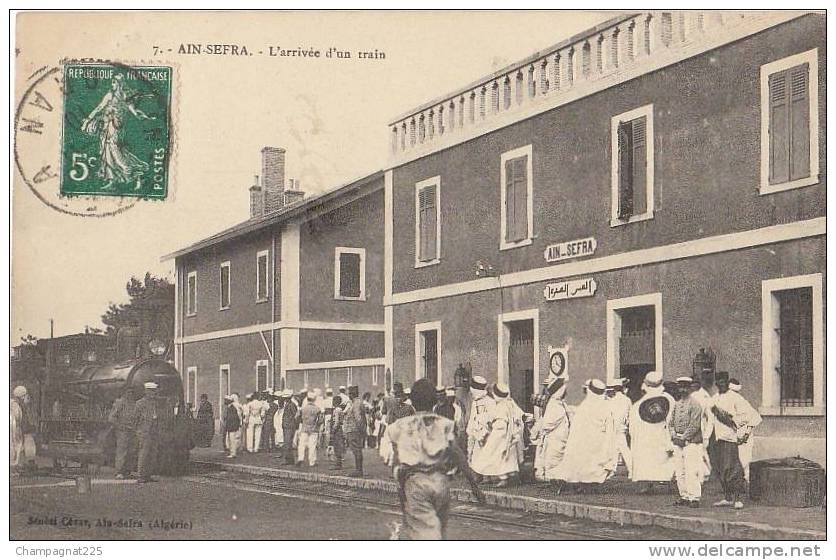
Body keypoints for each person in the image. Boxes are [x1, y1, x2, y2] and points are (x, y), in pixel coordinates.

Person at [386, 378, 486, 540]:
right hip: (441, 484)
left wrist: (402, 494)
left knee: (423, 535)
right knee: (438, 532)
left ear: (412, 401)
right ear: (434, 400)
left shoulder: (400, 427)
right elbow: (458, 454)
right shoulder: (444, 424)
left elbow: (398, 464)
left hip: (416, 484)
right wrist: (474, 485)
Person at [711, 373, 762, 509]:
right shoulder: (714, 398)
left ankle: (738, 499)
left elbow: (750, 415)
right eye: (718, 382)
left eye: (723, 382)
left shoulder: (735, 398)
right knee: (720, 469)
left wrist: (733, 421)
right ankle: (727, 498)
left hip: (730, 438)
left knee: (733, 469)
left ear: (727, 383)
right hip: (717, 438)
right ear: (716, 383)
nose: (721, 384)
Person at [555, 379, 615, 488]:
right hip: (598, 442)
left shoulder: (585, 406)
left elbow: (576, 427)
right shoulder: (606, 406)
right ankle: (590, 484)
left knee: (585, 463)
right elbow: (610, 428)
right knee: (592, 465)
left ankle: (584, 484)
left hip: (586, 441)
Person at [629, 371, 675, 492]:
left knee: (648, 459)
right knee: (662, 459)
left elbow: (633, 424)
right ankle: (662, 482)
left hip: (647, 438)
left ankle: (648, 484)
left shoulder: (638, 405)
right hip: (660, 435)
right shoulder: (669, 399)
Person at [481, 382, 525, 487]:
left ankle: (504, 479)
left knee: (501, 456)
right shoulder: (510, 403)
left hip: (504, 435)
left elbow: (500, 423)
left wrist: (492, 426)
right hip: (512, 434)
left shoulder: (501, 406)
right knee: (511, 457)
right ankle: (513, 477)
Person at [669, 377, 704, 507]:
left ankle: (694, 497)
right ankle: (684, 496)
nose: (682, 390)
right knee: (679, 471)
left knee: (691, 470)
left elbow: (695, 424)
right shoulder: (676, 405)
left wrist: (683, 438)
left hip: (691, 442)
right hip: (678, 442)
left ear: (690, 388)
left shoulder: (695, 404)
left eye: (685, 387)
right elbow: (670, 423)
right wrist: (674, 436)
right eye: (680, 387)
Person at [532, 372, 571, 485]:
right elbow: (548, 423)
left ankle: (556, 478)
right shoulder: (554, 405)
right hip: (555, 437)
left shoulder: (559, 403)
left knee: (556, 458)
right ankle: (552, 479)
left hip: (560, 437)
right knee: (553, 458)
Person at [465, 375, 496, 482]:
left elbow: (492, 418)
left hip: (486, 432)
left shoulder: (489, 402)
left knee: (486, 454)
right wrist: (471, 430)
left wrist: (486, 430)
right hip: (476, 431)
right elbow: (472, 417)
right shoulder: (475, 402)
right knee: (476, 455)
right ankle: (478, 475)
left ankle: (487, 476)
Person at [133, 381, 164, 483]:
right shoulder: (140, 403)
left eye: (154, 391)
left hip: (154, 430)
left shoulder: (156, 403)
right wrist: (139, 431)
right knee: (144, 453)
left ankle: (148, 475)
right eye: (151, 391)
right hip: (145, 431)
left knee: (153, 453)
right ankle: (141, 476)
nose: (154, 393)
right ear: (146, 391)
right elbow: (135, 419)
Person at [729, 379, 756, 483]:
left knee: (745, 460)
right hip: (733, 437)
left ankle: (748, 483)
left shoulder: (743, 402)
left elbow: (753, 418)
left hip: (744, 437)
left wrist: (746, 435)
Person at [108, 386, 138, 479]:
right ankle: (119, 472)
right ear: (124, 392)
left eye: (132, 392)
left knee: (131, 451)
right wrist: (120, 426)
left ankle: (128, 471)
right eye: (128, 392)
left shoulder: (134, 403)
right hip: (122, 431)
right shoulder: (119, 402)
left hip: (132, 430)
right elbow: (111, 417)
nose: (130, 394)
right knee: (122, 451)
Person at [606, 378, 632, 478]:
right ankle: (613, 469)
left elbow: (610, 415)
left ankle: (631, 469)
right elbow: (629, 414)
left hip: (614, 427)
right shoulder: (627, 400)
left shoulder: (612, 401)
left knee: (622, 449)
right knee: (617, 448)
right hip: (622, 427)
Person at [10, 385, 36, 474]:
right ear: (22, 396)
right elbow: (16, 419)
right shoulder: (15, 405)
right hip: (13, 429)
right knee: (14, 446)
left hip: (16, 428)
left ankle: (16, 466)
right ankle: (13, 468)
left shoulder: (16, 404)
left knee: (17, 446)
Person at [343, 385, 367, 477]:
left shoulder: (356, 403)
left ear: (352, 394)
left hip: (354, 430)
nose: (349, 395)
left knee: (356, 450)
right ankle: (358, 469)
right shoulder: (357, 402)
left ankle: (358, 470)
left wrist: (361, 430)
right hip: (355, 430)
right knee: (357, 450)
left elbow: (358, 418)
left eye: (350, 394)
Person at [297, 391, 322, 467]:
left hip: (304, 428)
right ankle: (312, 462)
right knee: (312, 445)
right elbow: (320, 420)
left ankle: (300, 459)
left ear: (307, 399)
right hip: (313, 429)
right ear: (314, 399)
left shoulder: (303, 409)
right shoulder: (317, 409)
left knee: (301, 445)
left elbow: (298, 417)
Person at [280, 389, 299, 465]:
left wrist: (293, 422)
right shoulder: (288, 404)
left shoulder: (291, 405)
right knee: (287, 443)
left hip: (289, 426)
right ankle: (290, 459)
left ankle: (287, 460)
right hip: (287, 425)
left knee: (287, 443)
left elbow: (296, 415)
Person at [329, 395, 346, 470]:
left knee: (337, 446)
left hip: (337, 430)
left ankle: (338, 464)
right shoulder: (340, 410)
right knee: (338, 446)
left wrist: (333, 430)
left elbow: (336, 421)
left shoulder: (337, 410)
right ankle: (338, 463)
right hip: (340, 429)